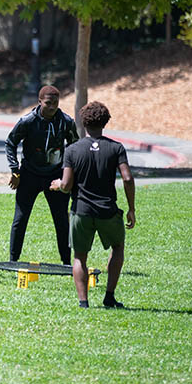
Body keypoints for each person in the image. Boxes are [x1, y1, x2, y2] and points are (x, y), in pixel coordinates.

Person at [50, 101, 135, 308]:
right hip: (108, 210)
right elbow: (127, 178)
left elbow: (67, 185)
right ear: (105, 122)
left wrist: (57, 185)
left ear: (83, 122)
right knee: (117, 248)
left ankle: (83, 302)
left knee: (79, 256)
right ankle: (109, 296)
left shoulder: (72, 150)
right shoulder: (116, 148)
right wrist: (131, 208)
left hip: (81, 210)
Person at [5, 85, 79, 265]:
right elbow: (10, 143)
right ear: (39, 102)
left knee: (61, 220)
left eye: (55, 103)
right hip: (29, 174)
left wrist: (68, 173)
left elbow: (75, 145)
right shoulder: (28, 121)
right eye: (48, 103)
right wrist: (15, 170)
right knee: (20, 219)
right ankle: (13, 261)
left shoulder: (66, 122)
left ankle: (66, 263)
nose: (52, 107)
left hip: (54, 176)